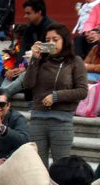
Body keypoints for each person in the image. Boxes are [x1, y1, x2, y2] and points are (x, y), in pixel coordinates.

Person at [23, 24, 88, 166]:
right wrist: (34, 59)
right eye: (48, 39)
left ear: (64, 40)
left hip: (61, 121)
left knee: (61, 165)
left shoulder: (75, 62)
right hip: (37, 119)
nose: (51, 43)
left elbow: (82, 91)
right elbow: (27, 84)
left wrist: (56, 96)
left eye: (55, 39)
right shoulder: (41, 61)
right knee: (37, 166)